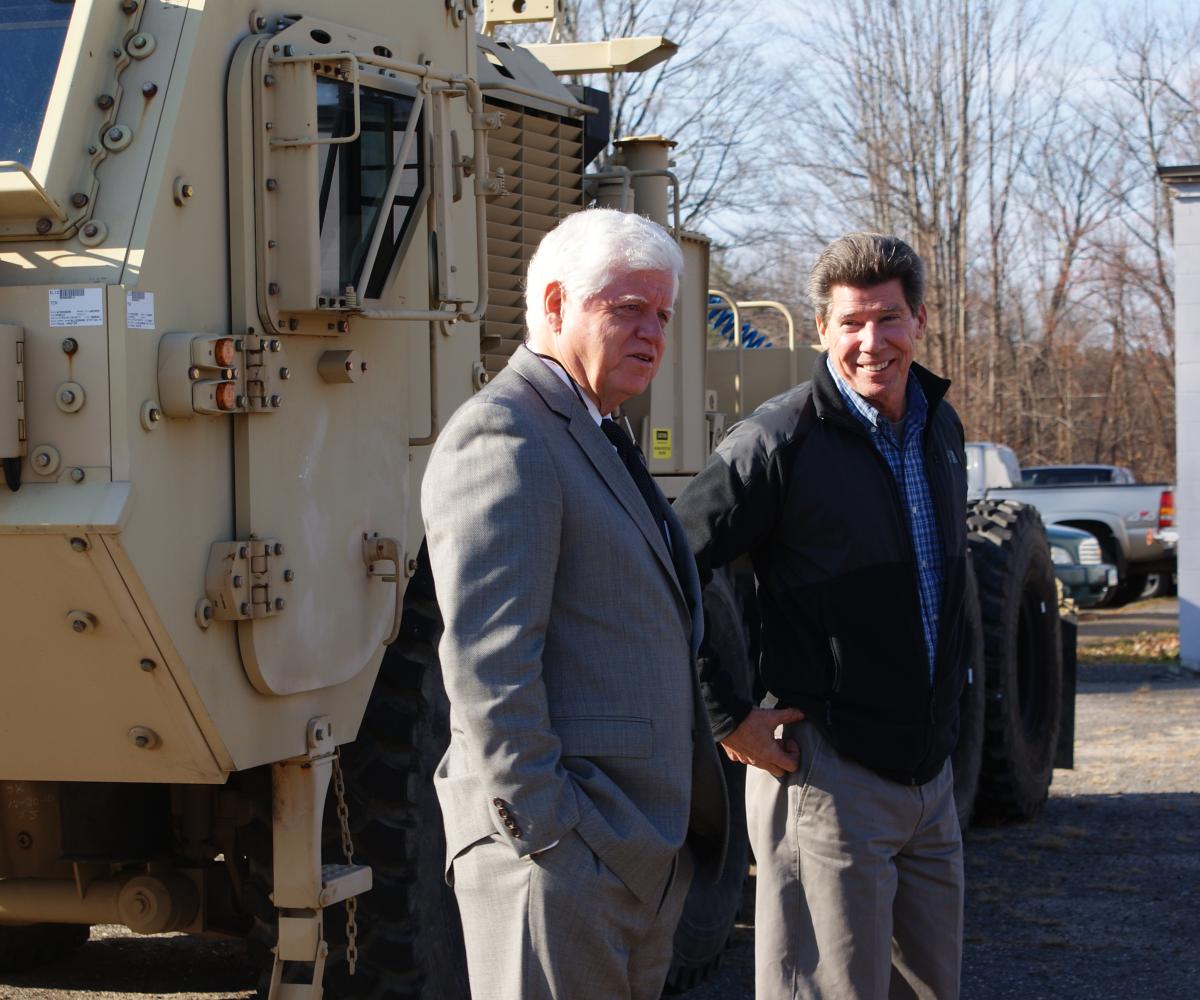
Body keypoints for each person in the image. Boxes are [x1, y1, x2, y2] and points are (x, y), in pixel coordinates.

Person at [422, 207, 727, 1000]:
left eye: (662, 314)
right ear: (555, 306)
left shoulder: (594, 431)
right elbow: (490, 665)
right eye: (628, 310)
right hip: (562, 861)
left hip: (629, 857)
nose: (653, 333)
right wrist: (552, 835)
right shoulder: (505, 433)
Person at [674, 232, 970, 999]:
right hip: (828, 778)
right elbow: (668, 565)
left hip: (927, 782)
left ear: (921, 322)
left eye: (890, 319)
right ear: (820, 330)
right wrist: (724, 715)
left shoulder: (940, 429)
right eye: (852, 323)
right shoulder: (777, 440)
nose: (872, 342)